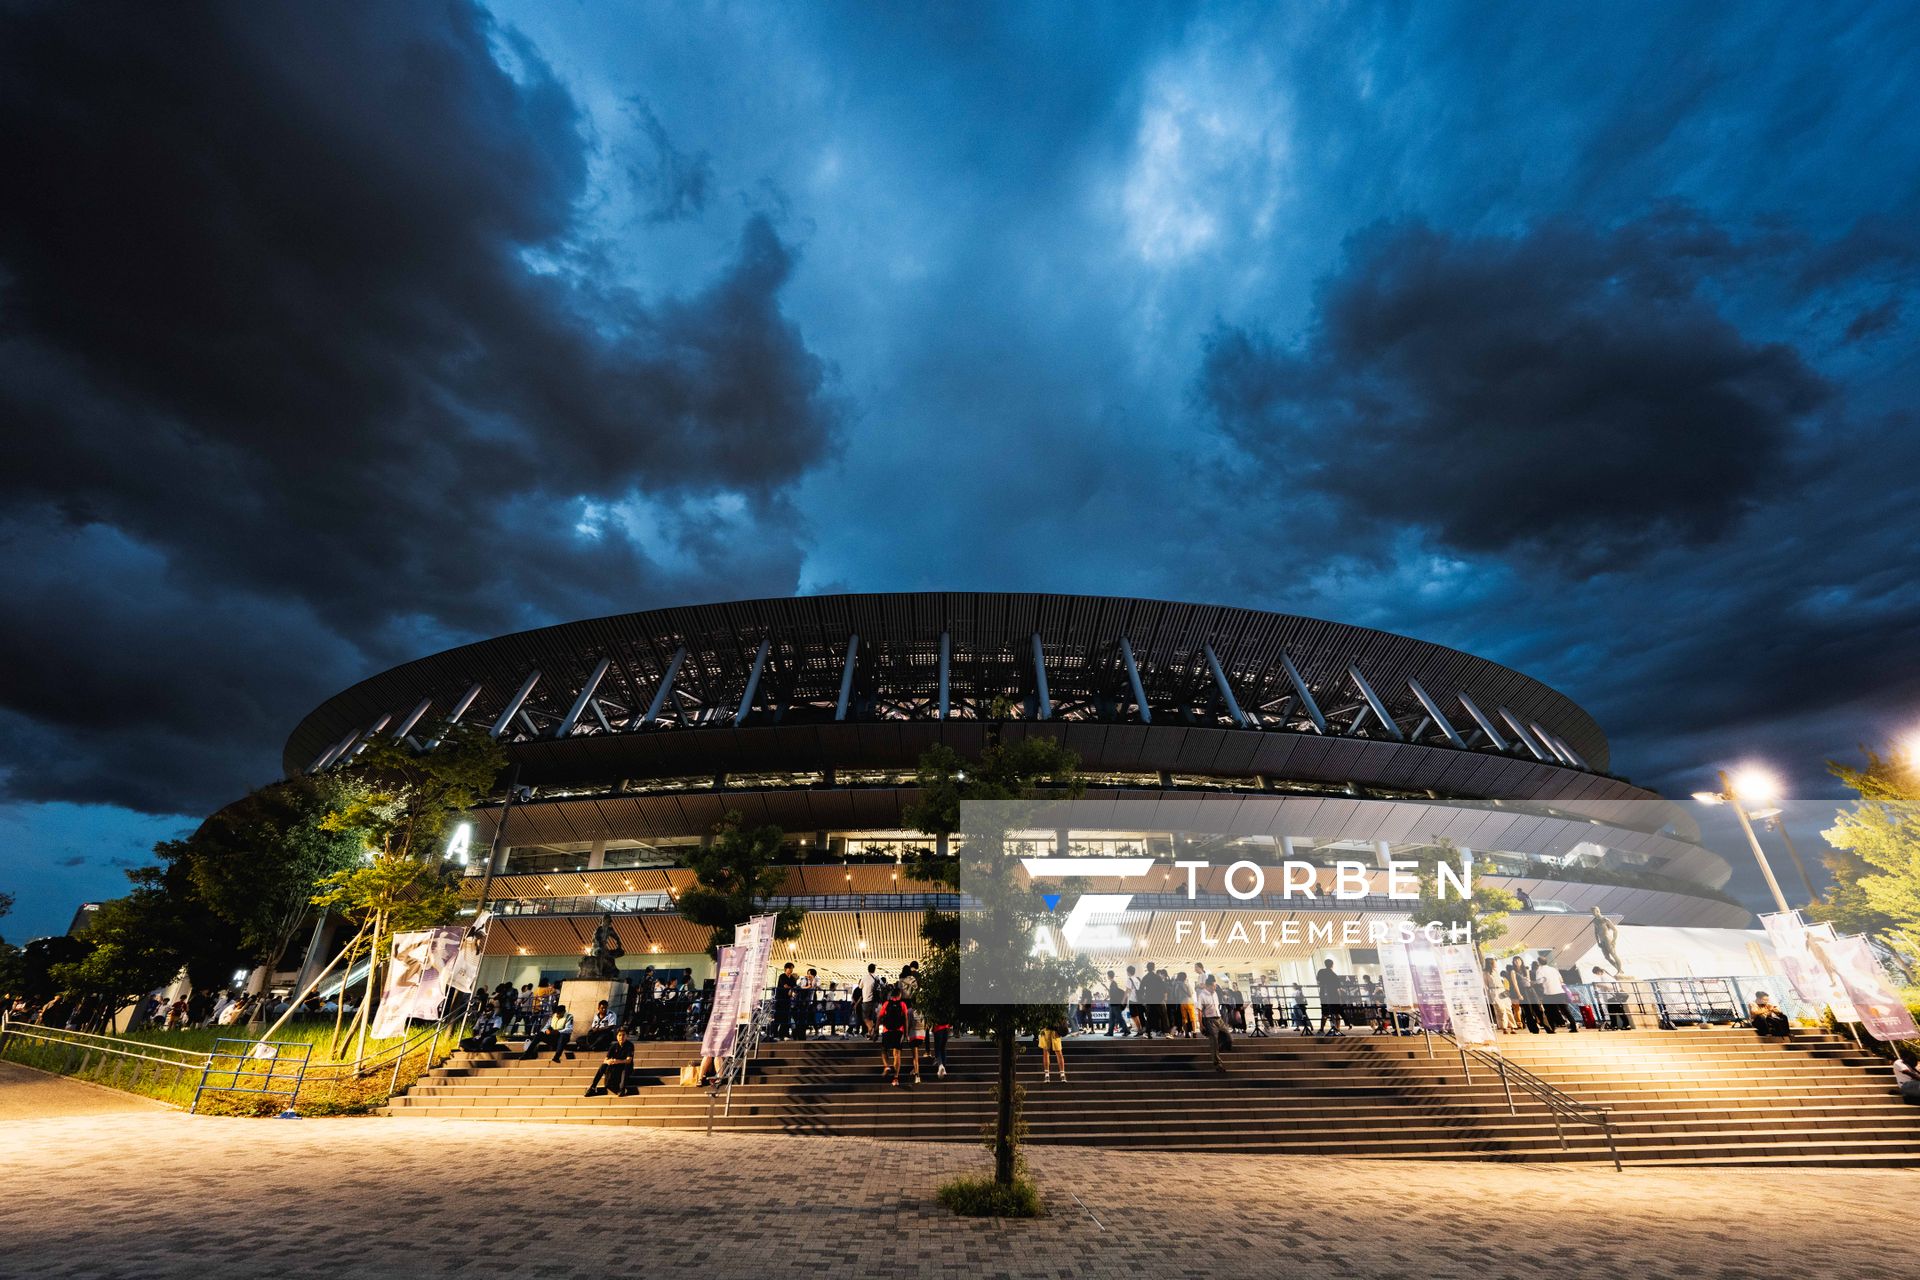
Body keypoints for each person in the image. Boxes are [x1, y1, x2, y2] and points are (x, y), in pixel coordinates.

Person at [876, 984, 911, 1087]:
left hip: (887, 1030)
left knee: (884, 1050)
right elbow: (905, 1019)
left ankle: (886, 1066)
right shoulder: (903, 1004)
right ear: (899, 995)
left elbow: (879, 1017)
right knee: (897, 1054)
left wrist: (876, 1030)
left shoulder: (886, 1004)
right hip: (898, 1031)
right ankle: (895, 1078)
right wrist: (906, 1033)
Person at [585, 1028, 636, 1097]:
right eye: (620, 1035)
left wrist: (617, 1061)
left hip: (626, 1068)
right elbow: (605, 1060)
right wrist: (608, 1061)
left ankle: (622, 1089)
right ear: (617, 1036)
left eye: (624, 1035)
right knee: (603, 1066)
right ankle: (593, 1087)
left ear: (627, 1036)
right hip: (615, 1068)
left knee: (625, 1066)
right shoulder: (613, 1046)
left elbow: (628, 1060)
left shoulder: (630, 1045)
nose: (621, 1037)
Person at [1197, 974, 1228, 1073]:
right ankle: (1217, 1063)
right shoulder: (1202, 995)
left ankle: (1217, 1051)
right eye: (1214, 986)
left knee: (1228, 1038)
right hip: (1209, 1020)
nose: (1215, 987)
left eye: (1215, 985)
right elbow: (1200, 1011)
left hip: (1219, 1019)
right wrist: (1201, 1025)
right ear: (1208, 986)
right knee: (1214, 1041)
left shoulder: (1215, 993)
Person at [1037, 1004, 1068, 1082]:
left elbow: (1062, 1014)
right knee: (1046, 1052)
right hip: (1046, 1029)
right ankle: (1047, 1075)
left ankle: (1062, 1074)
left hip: (1055, 1030)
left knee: (1058, 1052)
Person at [1315, 959, 1344, 1035]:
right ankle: (1338, 1029)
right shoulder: (1334, 975)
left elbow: (1318, 980)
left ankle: (1322, 1029)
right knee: (1336, 1012)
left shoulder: (1321, 972)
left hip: (1324, 994)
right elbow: (1338, 987)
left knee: (1325, 1013)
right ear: (1332, 965)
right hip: (1333, 995)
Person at [1105, 970, 1127, 1036]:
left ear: (1109, 976)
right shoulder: (1113, 983)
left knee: (1119, 1017)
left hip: (1115, 1004)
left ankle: (1126, 1030)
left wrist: (1108, 998)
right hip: (1113, 1004)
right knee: (1111, 1018)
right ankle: (1110, 1032)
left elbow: (1113, 994)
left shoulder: (1113, 984)